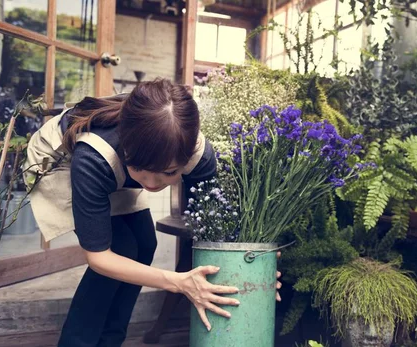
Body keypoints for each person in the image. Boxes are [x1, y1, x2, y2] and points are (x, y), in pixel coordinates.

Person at [22, 78, 281, 346]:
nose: (152, 184)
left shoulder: (197, 154)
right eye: (140, 170)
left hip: (117, 166)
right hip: (58, 162)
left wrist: (253, 268)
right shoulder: (93, 158)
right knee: (120, 248)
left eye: (169, 173)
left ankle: (110, 341)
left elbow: (212, 228)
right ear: (127, 152)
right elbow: (99, 258)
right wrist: (177, 282)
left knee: (145, 243)